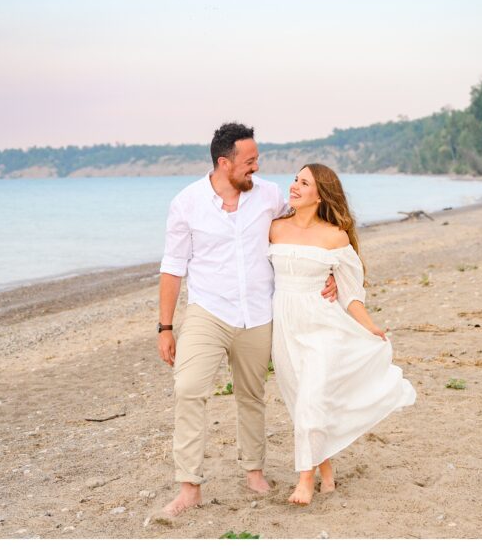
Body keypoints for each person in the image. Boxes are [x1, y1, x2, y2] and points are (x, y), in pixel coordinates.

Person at [157, 123, 337, 517]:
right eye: (249, 161)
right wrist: (165, 327)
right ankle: (189, 486)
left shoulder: (271, 196)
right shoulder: (186, 203)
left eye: (257, 159)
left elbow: (311, 226)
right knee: (188, 388)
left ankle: (253, 471)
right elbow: (173, 267)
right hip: (208, 310)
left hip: (258, 312)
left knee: (251, 395)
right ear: (225, 162)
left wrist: (332, 271)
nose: (257, 167)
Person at [268, 163, 417, 505]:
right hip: (285, 329)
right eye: (294, 179)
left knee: (311, 399)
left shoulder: (335, 236)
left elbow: (350, 291)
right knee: (300, 401)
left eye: (303, 183)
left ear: (320, 194)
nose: (293, 186)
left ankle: (304, 482)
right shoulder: (274, 229)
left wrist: (369, 326)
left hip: (322, 326)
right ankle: (326, 472)